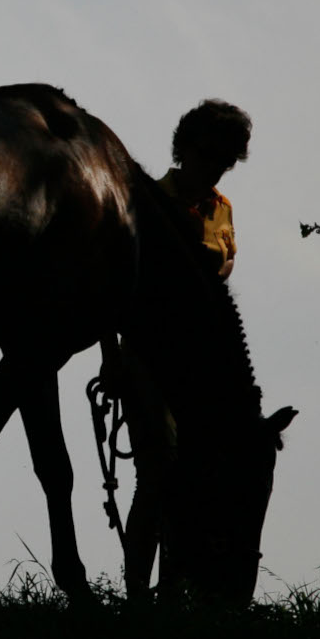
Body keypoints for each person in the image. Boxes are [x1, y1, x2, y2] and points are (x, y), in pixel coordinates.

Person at [99, 99, 253, 596]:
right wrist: (112, 359)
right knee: (158, 470)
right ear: (184, 148)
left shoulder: (222, 208)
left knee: (195, 475)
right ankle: (137, 593)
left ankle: (175, 591)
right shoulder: (145, 201)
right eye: (209, 156)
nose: (215, 169)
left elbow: (225, 267)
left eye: (226, 162)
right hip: (147, 353)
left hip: (201, 365)